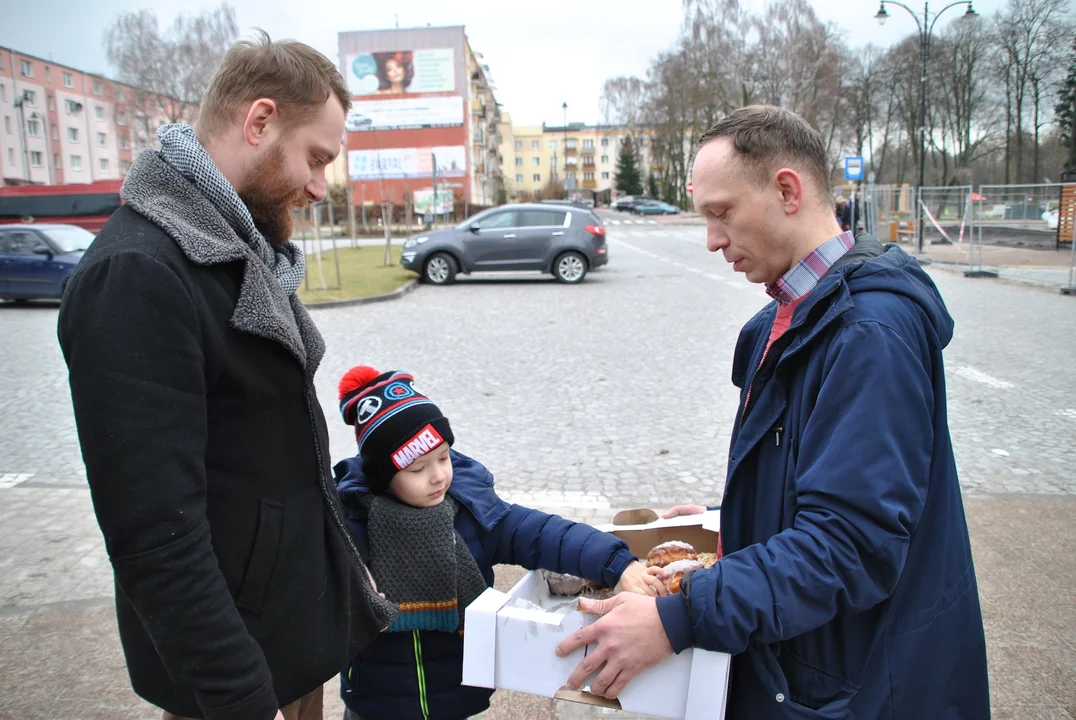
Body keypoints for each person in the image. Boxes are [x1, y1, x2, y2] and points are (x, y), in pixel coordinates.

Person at [555, 105, 989, 719]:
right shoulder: (783, 319)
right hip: (814, 666)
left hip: (862, 685)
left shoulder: (869, 332)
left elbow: (850, 546)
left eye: (722, 212)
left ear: (787, 190)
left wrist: (676, 619)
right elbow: (824, 489)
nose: (711, 239)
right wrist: (729, 520)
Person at [57, 32, 396, 720]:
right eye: (316, 158)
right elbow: (155, 535)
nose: (319, 186)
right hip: (236, 676)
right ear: (260, 121)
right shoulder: (138, 274)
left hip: (288, 644)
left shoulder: (235, 248)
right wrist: (239, 696)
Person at [332, 365, 664, 720]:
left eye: (444, 457)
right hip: (374, 704)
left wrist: (619, 564)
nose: (438, 475)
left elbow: (546, 534)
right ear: (383, 477)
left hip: (456, 700)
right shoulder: (347, 526)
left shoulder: (475, 513)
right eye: (417, 469)